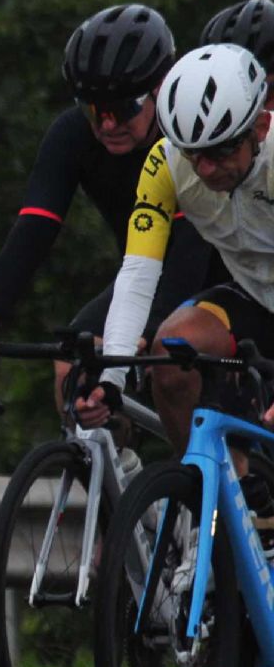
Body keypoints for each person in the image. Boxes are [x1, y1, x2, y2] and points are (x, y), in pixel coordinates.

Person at [0, 5, 218, 406]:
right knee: (75, 364)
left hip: (219, 272)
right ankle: (108, 461)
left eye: (122, 109)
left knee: (170, 364)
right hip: (141, 272)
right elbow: (35, 228)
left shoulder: (186, 134)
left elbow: (193, 243)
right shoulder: (71, 134)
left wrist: (151, 328)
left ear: (161, 89)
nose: (106, 124)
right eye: (93, 110)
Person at [79, 43, 274, 441]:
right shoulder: (165, 163)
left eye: (218, 151)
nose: (203, 168)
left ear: (260, 128)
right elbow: (137, 273)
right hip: (256, 295)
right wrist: (111, 380)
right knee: (170, 353)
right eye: (192, 152)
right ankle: (197, 489)